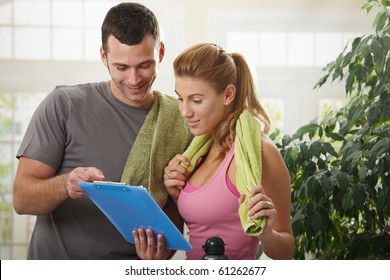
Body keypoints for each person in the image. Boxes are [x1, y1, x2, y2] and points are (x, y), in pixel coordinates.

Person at [13, 2, 192, 260]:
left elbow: (176, 213)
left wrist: (160, 252)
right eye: (121, 67)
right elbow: (22, 199)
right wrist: (67, 183)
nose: (133, 79)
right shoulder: (64, 104)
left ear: (160, 52)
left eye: (144, 65)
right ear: (103, 56)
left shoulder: (181, 119)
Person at [163, 43, 295, 260]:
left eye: (196, 100)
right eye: (180, 98)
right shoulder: (199, 150)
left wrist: (267, 234)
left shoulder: (261, 152)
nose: (185, 111)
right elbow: (208, 222)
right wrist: (177, 194)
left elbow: (287, 250)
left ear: (228, 95)